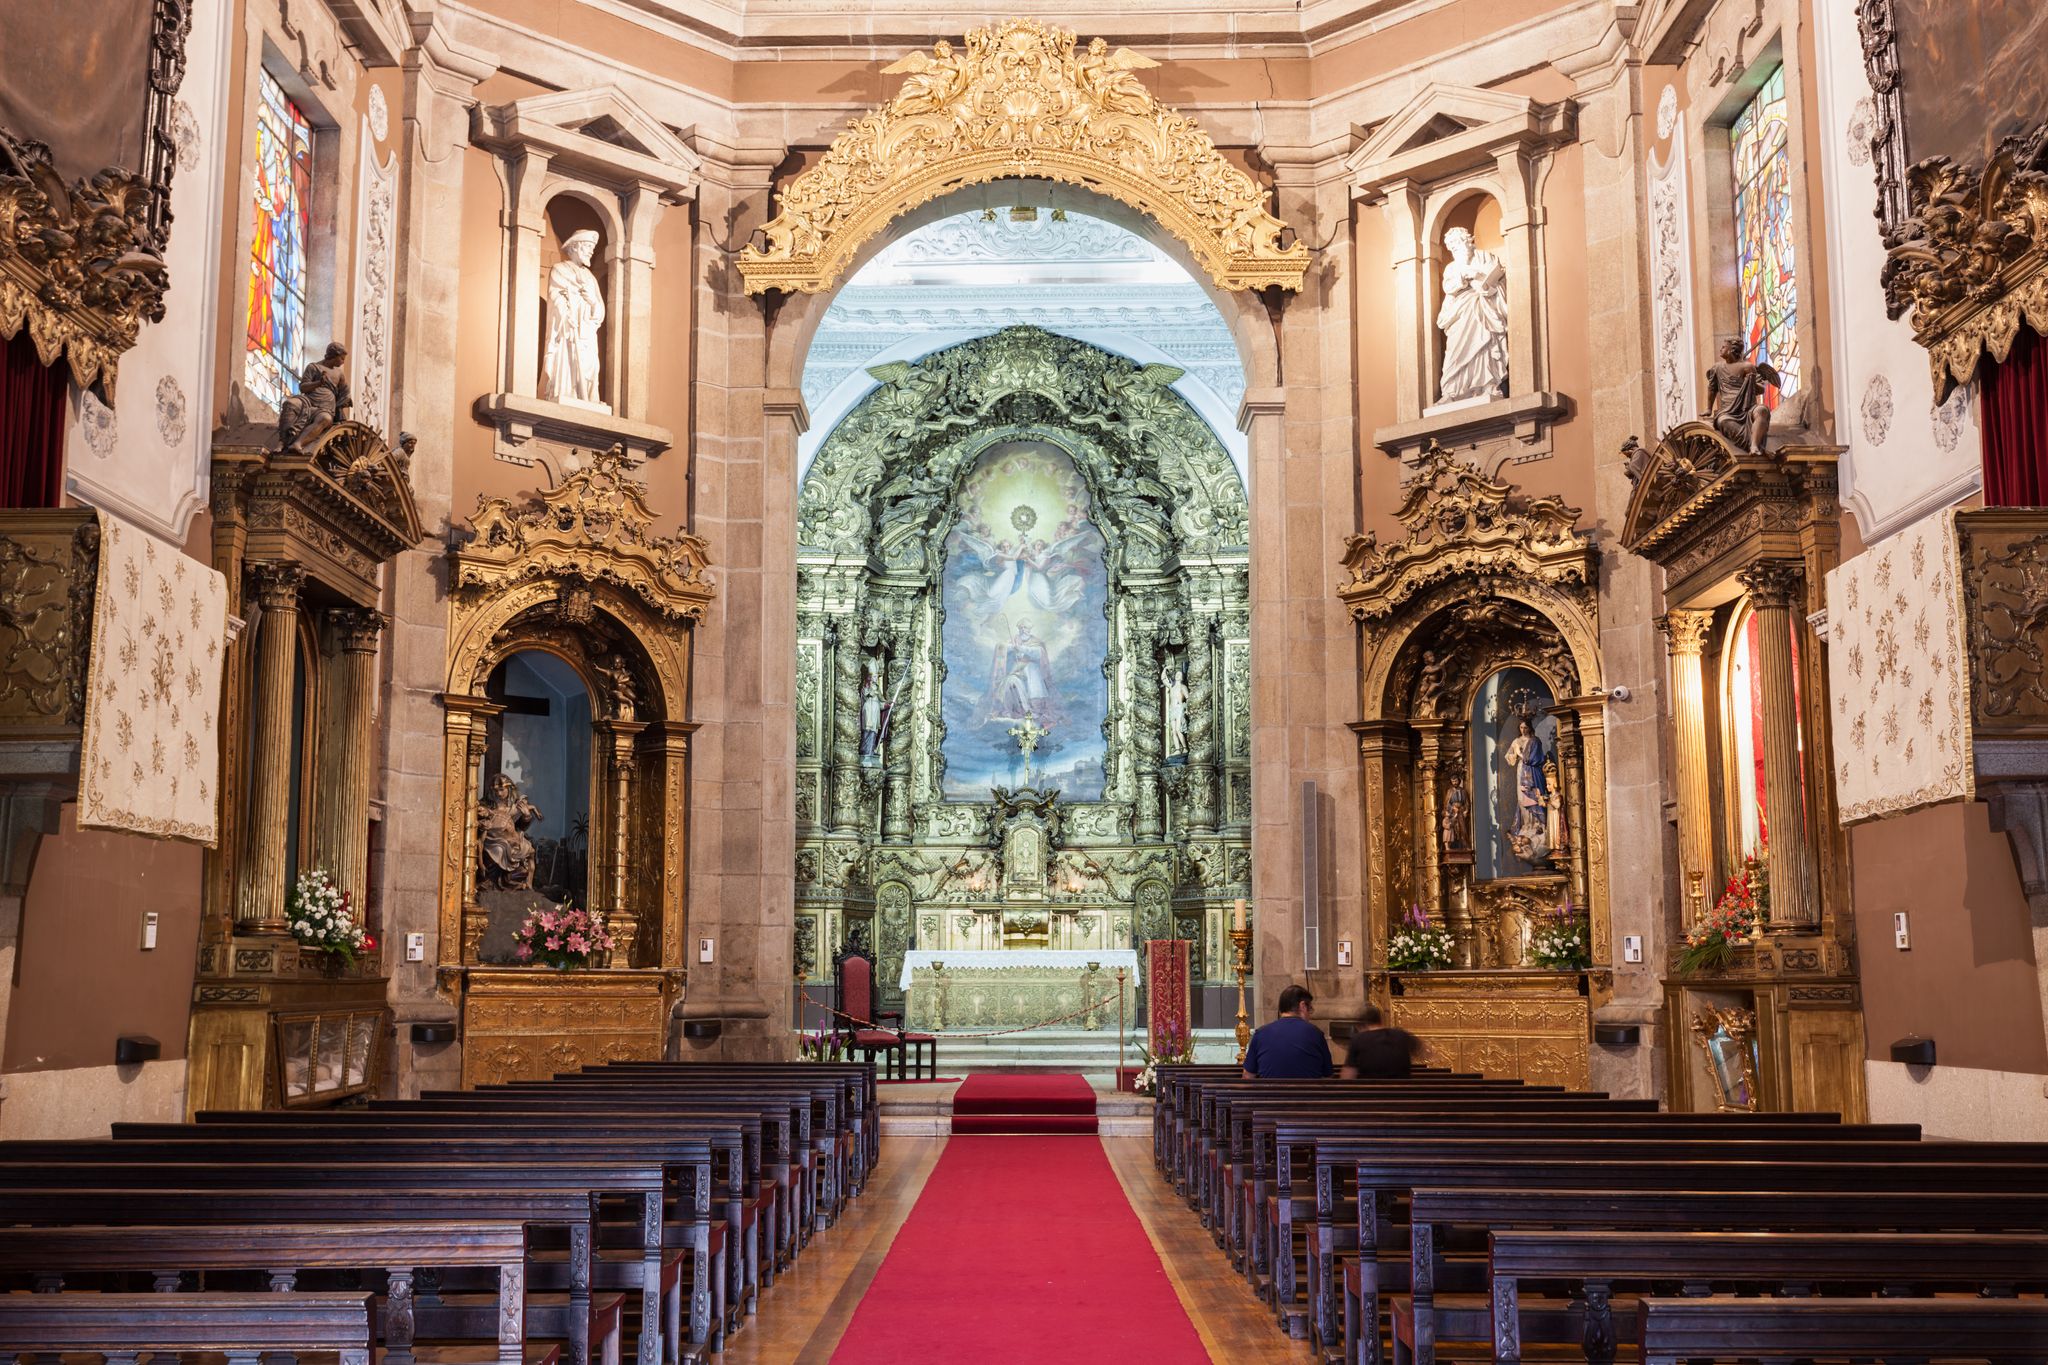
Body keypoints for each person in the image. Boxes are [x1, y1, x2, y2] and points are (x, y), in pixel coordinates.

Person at [1242, 985, 1333, 1079]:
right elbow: (1327, 1076)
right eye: (1309, 1009)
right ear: (1302, 1006)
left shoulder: (1261, 1034)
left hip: (1271, 1093)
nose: (1309, 1015)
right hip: (1306, 1093)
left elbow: (1248, 1076)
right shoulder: (1316, 1034)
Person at [1343, 1004, 1423, 1079]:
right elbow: (1421, 1051)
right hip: (1402, 1091)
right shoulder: (1401, 1035)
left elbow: (1348, 1075)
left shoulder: (1358, 1039)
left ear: (1363, 1025)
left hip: (1369, 1091)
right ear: (1380, 1020)